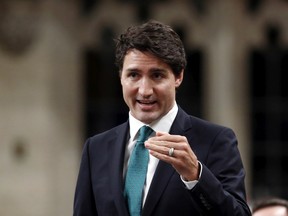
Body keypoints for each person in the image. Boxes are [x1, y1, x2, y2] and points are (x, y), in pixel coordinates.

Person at [73, 20, 251, 216]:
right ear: (121, 77)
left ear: (178, 77)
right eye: (133, 75)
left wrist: (196, 177)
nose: (145, 90)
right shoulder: (96, 149)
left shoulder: (215, 140)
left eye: (157, 75)